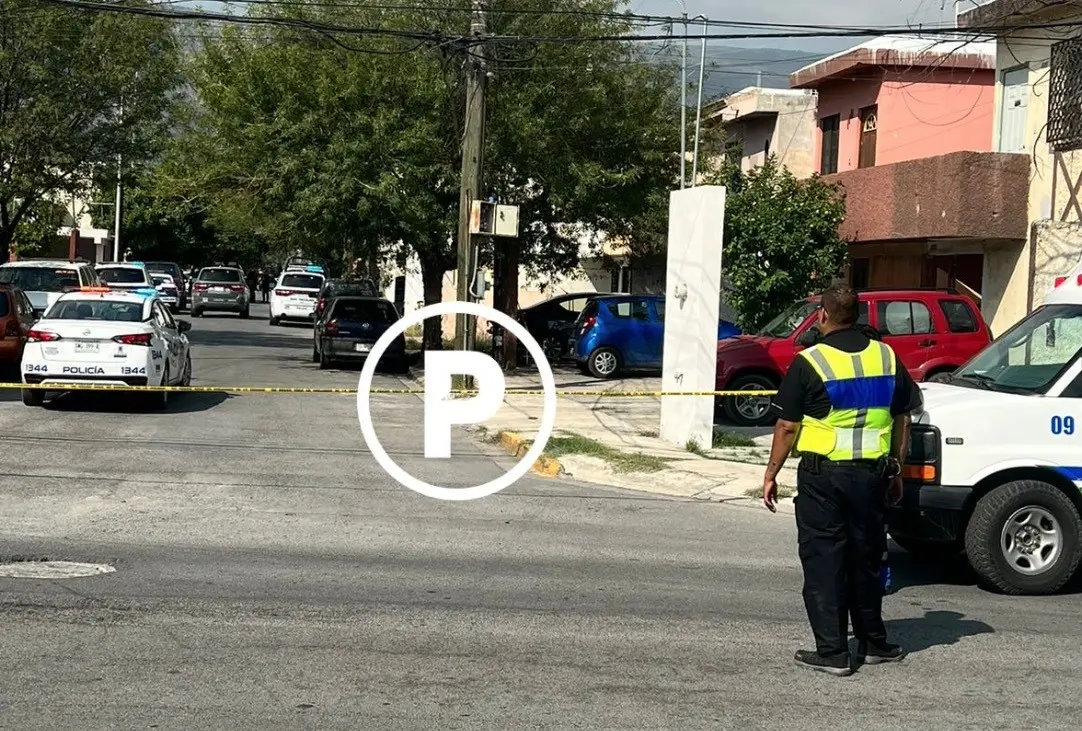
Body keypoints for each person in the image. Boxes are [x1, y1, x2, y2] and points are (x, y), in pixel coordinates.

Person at [761, 282, 922, 677]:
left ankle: (833, 651)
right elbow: (904, 416)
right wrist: (897, 468)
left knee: (824, 562)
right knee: (867, 560)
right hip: (871, 476)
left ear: (823, 316)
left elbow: (786, 426)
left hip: (823, 478)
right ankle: (873, 644)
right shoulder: (886, 357)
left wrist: (770, 474)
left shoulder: (810, 361)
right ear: (859, 316)